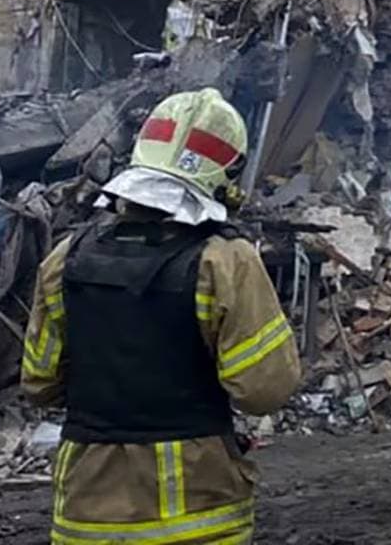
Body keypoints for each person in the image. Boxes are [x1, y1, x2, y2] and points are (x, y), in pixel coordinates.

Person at [22, 89, 301, 545]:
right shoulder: (224, 262)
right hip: (198, 513)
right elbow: (263, 389)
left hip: (86, 511)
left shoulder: (65, 260)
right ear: (227, 175)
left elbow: (39, 383)